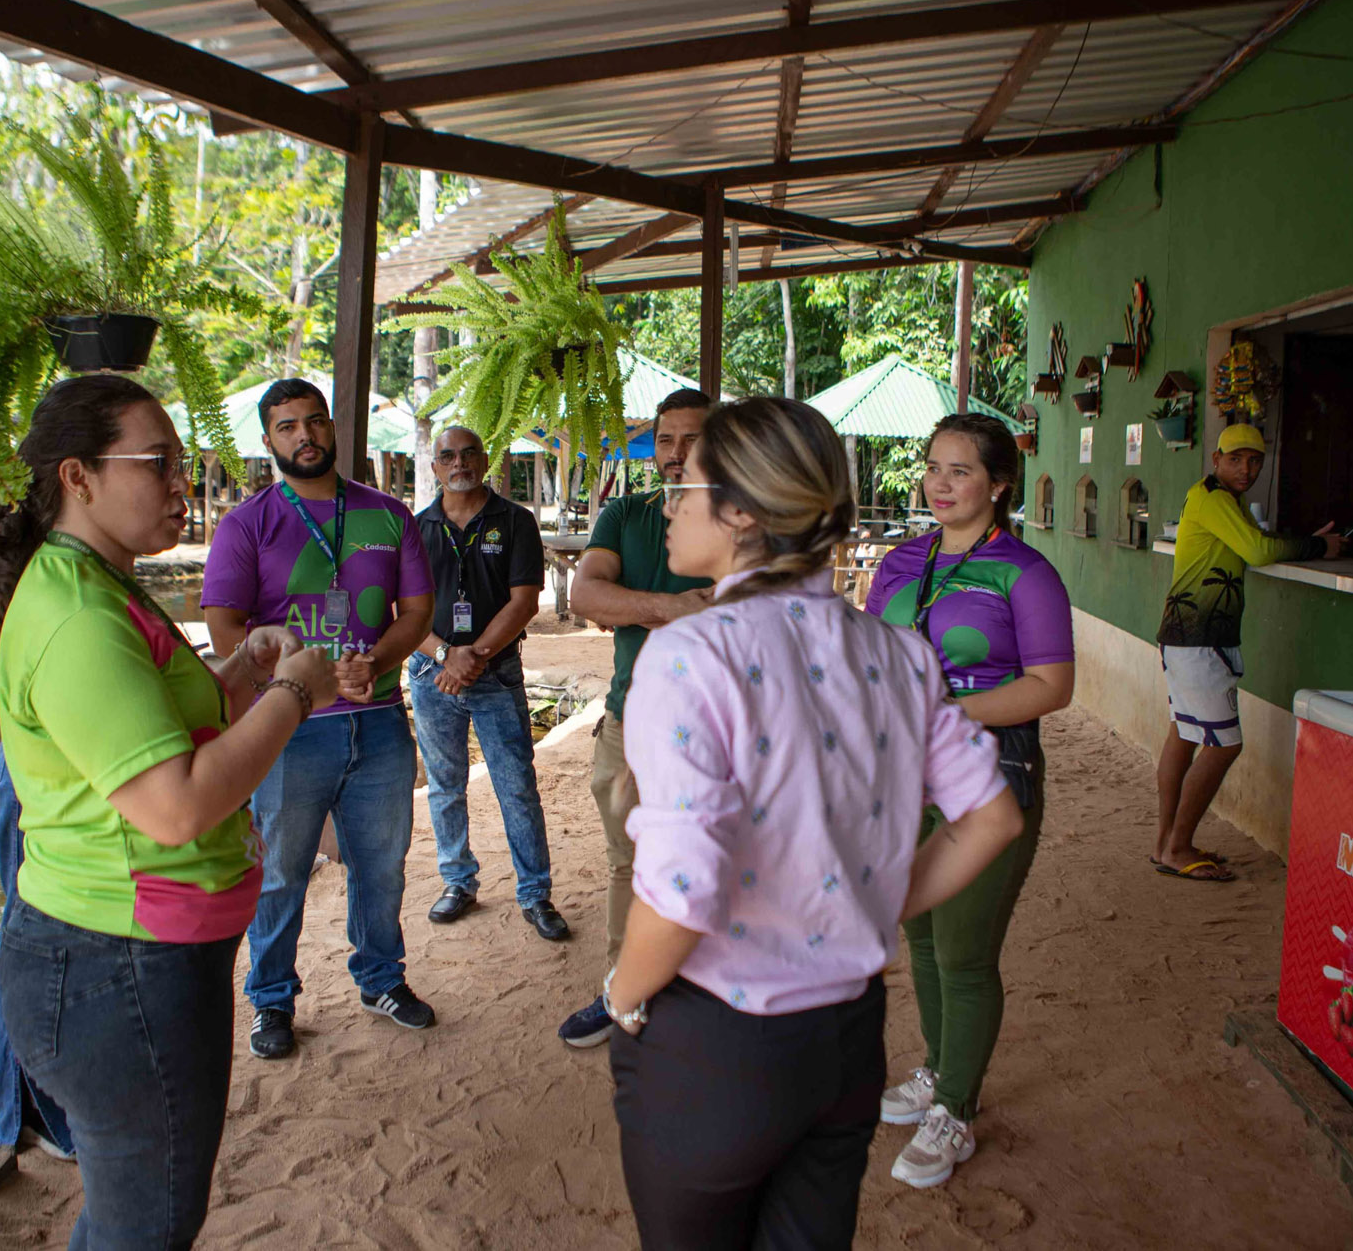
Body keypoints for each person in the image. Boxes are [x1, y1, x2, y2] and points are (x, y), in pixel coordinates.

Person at [603, 396, 1026, 1251]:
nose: (672, 500)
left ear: (744, 511)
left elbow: (684, 890)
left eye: (687, 482)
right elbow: (991, 815)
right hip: (845, 1038)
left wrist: (622, 991)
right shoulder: (894, 651)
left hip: (718, 1039)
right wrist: (862, 906)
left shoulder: (692, 652)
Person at [0, 374, 336, 1249]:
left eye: (184, 464)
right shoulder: (75, 614)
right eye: (160, 464)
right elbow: (174, 806)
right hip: (116, 966)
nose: (185, 486)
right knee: (150, 1222)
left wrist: (248, 670)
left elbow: (160, 734)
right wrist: (294, 691)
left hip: (126, 957)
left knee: (135, 1213)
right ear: (78, 476)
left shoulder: (102, 583)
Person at [864, 413, 1075, 1188]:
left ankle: (956, 1104)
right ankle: (937, 1068)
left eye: (959, 470)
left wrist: (944, 712)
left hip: (988, 775)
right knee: (918, 934)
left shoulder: (1025, 571)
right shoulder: (899, 561)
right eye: (932, 467)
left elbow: (1053, 686)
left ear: (999, 484)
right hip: (901, 775)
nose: (940, 483)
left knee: (963, 951)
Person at [202, 378, 437, 1057]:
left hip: (381, 719)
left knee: (383, 862)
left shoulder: (388, 514)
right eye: (286, 427)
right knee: (280, 871)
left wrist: (376, 659)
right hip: (290, 729)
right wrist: (288, 679)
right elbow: (224, 628)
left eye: (313, 422)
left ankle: (381, 977)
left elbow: (416, 613)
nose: (303, 435)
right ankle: (271, 1000)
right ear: (269, 440)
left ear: (331, 427)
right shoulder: (247, 523)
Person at [556, 387, 714, 1047]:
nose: (675, 455)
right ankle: (625, 985)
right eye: (666, 439)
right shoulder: (627, 511)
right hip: (628, 717)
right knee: (630, 861)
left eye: (693, 439)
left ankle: (703, 994)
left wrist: (635, 605)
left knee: (710, 859)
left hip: (715, 726)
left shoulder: (745, 514)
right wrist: (671, 608)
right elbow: (585, 593)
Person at [1154, 424, 1344, 881]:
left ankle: (1166, 843)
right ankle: (1176, 847)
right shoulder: (1215, 497)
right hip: (1200, 641)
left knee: (1185, 734)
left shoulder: (1216, 498)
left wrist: (1302, 540)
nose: (1246, 468)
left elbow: (1251, 542)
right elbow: (1258, 551)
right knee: (1223, 745)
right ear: (1216, 459)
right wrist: (1319, 546)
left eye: (1255, 460)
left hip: (1187, 638)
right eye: (1236, 459)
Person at [409, 425, 568, 940]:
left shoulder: (515, 521)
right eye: (448, 456)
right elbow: (400, 608)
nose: (459, 463)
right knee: (444, 786)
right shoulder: (415, 528)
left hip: (494, 671)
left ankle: (535, 893)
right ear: (434, 467)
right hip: (433, 675)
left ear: (484, 460)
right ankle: (458, 881)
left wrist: (472, 657)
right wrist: (443, 656)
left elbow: (523, 602)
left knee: (516, 786)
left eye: (469, 453)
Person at [0, 581, 74, 1163]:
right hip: (32, 766)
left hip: (80, 764)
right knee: (26, 933)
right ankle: (25, 1115)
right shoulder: (20, 557)